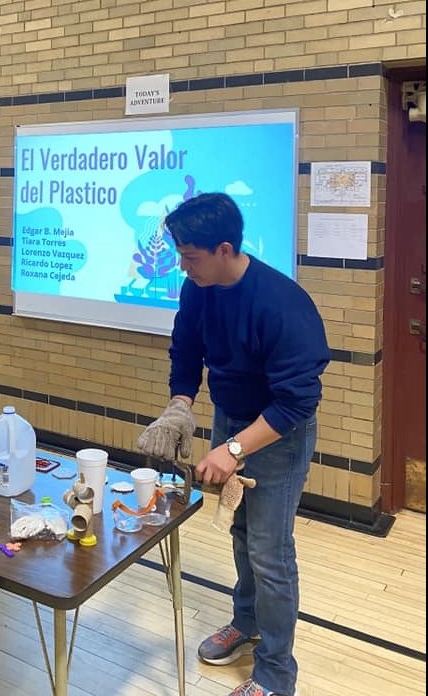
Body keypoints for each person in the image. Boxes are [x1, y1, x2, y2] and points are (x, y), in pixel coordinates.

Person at [137, 193, 329, 696]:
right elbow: (188, 347)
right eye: (179, 254)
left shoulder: (281, 304)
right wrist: (180, 404)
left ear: (225, 249)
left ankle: (275, 675)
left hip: (277, 432)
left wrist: (234, 450)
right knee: (241, 533)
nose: (182, 265)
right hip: (232, 416)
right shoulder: (198, 289)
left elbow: (296, 403)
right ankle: (247, 624)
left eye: (190, 256)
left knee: (270, 550)